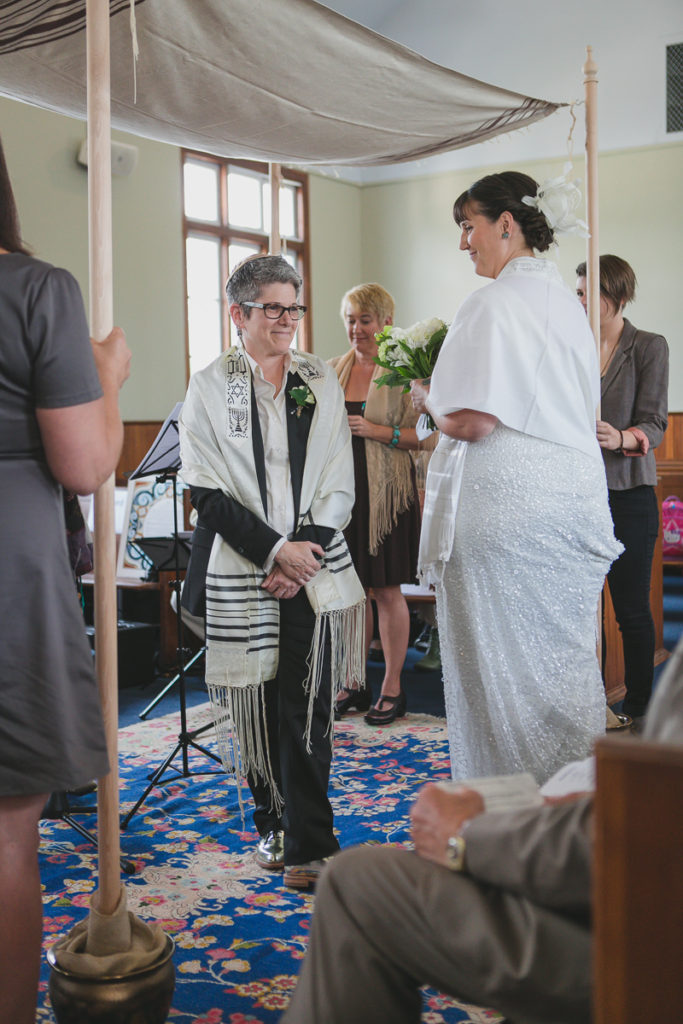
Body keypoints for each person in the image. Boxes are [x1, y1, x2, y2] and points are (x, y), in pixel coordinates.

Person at [281, 636, 683, 1024]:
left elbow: (649, 838)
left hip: (652, 948)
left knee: (358, 885)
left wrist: (467, 836)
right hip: (641, 879)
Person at [410, 170, 623, 784]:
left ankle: (511, 820)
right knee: (563, 665)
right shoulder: (567, 305)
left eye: (467, 227)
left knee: (499, 677)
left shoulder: (493, 302)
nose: (462, 243)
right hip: (573, 498)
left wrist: (426, 399)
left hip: (506, 505)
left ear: (506, 225)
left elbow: (473, 420)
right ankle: (581, 814)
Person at [179, 254, 364, 889]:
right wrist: (271, 551)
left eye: (294, 306)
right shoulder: (211, 385)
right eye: (273, 308)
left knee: (306, 702)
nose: (287, 319)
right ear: (239, 314)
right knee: (256, 700)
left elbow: (339, 475)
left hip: (307, 563)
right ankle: (272, 820)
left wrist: (303, 551)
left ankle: (313, 840)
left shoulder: (317, 376)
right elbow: (205, 489)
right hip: (244, 561)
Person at [0, 135, 131, 1024]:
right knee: (6, 831)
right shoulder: (34, 291)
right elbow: (86, 465)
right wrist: (109, 376)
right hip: (8, 563)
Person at [575, 256, 669, 728]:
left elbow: (656, 423)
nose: (582, 300)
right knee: (580, 611)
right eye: (578, 292)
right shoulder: (572, 347)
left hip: (629, 494)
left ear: (617, 296)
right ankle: (593, 703)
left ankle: (640, 709)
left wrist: (622, 438)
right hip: (576, 495)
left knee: (630, 608)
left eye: (588, 291)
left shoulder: (648, 346)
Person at [331, 283, 423, 725]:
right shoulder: (333, 370)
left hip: (389, 497)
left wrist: (375, 431)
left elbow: (426, 437)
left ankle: (392, 686)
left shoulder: (404, 373)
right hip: (343, 497)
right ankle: (353, 682)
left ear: (386, 322)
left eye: (364, 320)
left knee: (386, 591)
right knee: (351, 595)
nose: (356, 329)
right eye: (350, 319)